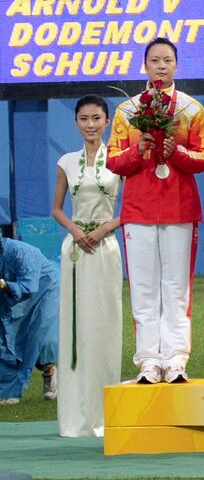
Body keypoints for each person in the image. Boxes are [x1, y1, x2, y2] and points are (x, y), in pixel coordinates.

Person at [107, 37, 204, 384]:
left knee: (177, 287)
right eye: (154, 60)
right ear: (145, 65)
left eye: (167, 60)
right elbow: (113, 161)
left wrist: (175, 151)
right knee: (144, 288)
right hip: (138, 210)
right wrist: (141, 150)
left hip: (180, 209)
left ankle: (176, 359)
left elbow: (203, 158)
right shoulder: (128, 111)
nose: (161, 66)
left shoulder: (192, 110)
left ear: (177, 65)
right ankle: (149, 360)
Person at [50, 95, 123, 435]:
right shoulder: (65, 161)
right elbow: (57, 208)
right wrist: (76, 231)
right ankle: (75, 417)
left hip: (106, 248)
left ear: (107, 121)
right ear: (76, 122)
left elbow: (131, 206)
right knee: (76, 327)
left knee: (104, 324)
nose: (90, 124)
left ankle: (105, 413)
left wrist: (106, 228)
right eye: (83, 118)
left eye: (96, 118)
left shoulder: (121, 160)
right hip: (75, 251)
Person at [0, 237, 59, 405]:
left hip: (43, 289)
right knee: (4, 336)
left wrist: (4, 285)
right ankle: (9, 392)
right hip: (9, 292)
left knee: (41, 334)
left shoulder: (20, 251)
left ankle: (48, 371)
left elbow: (28, 286)